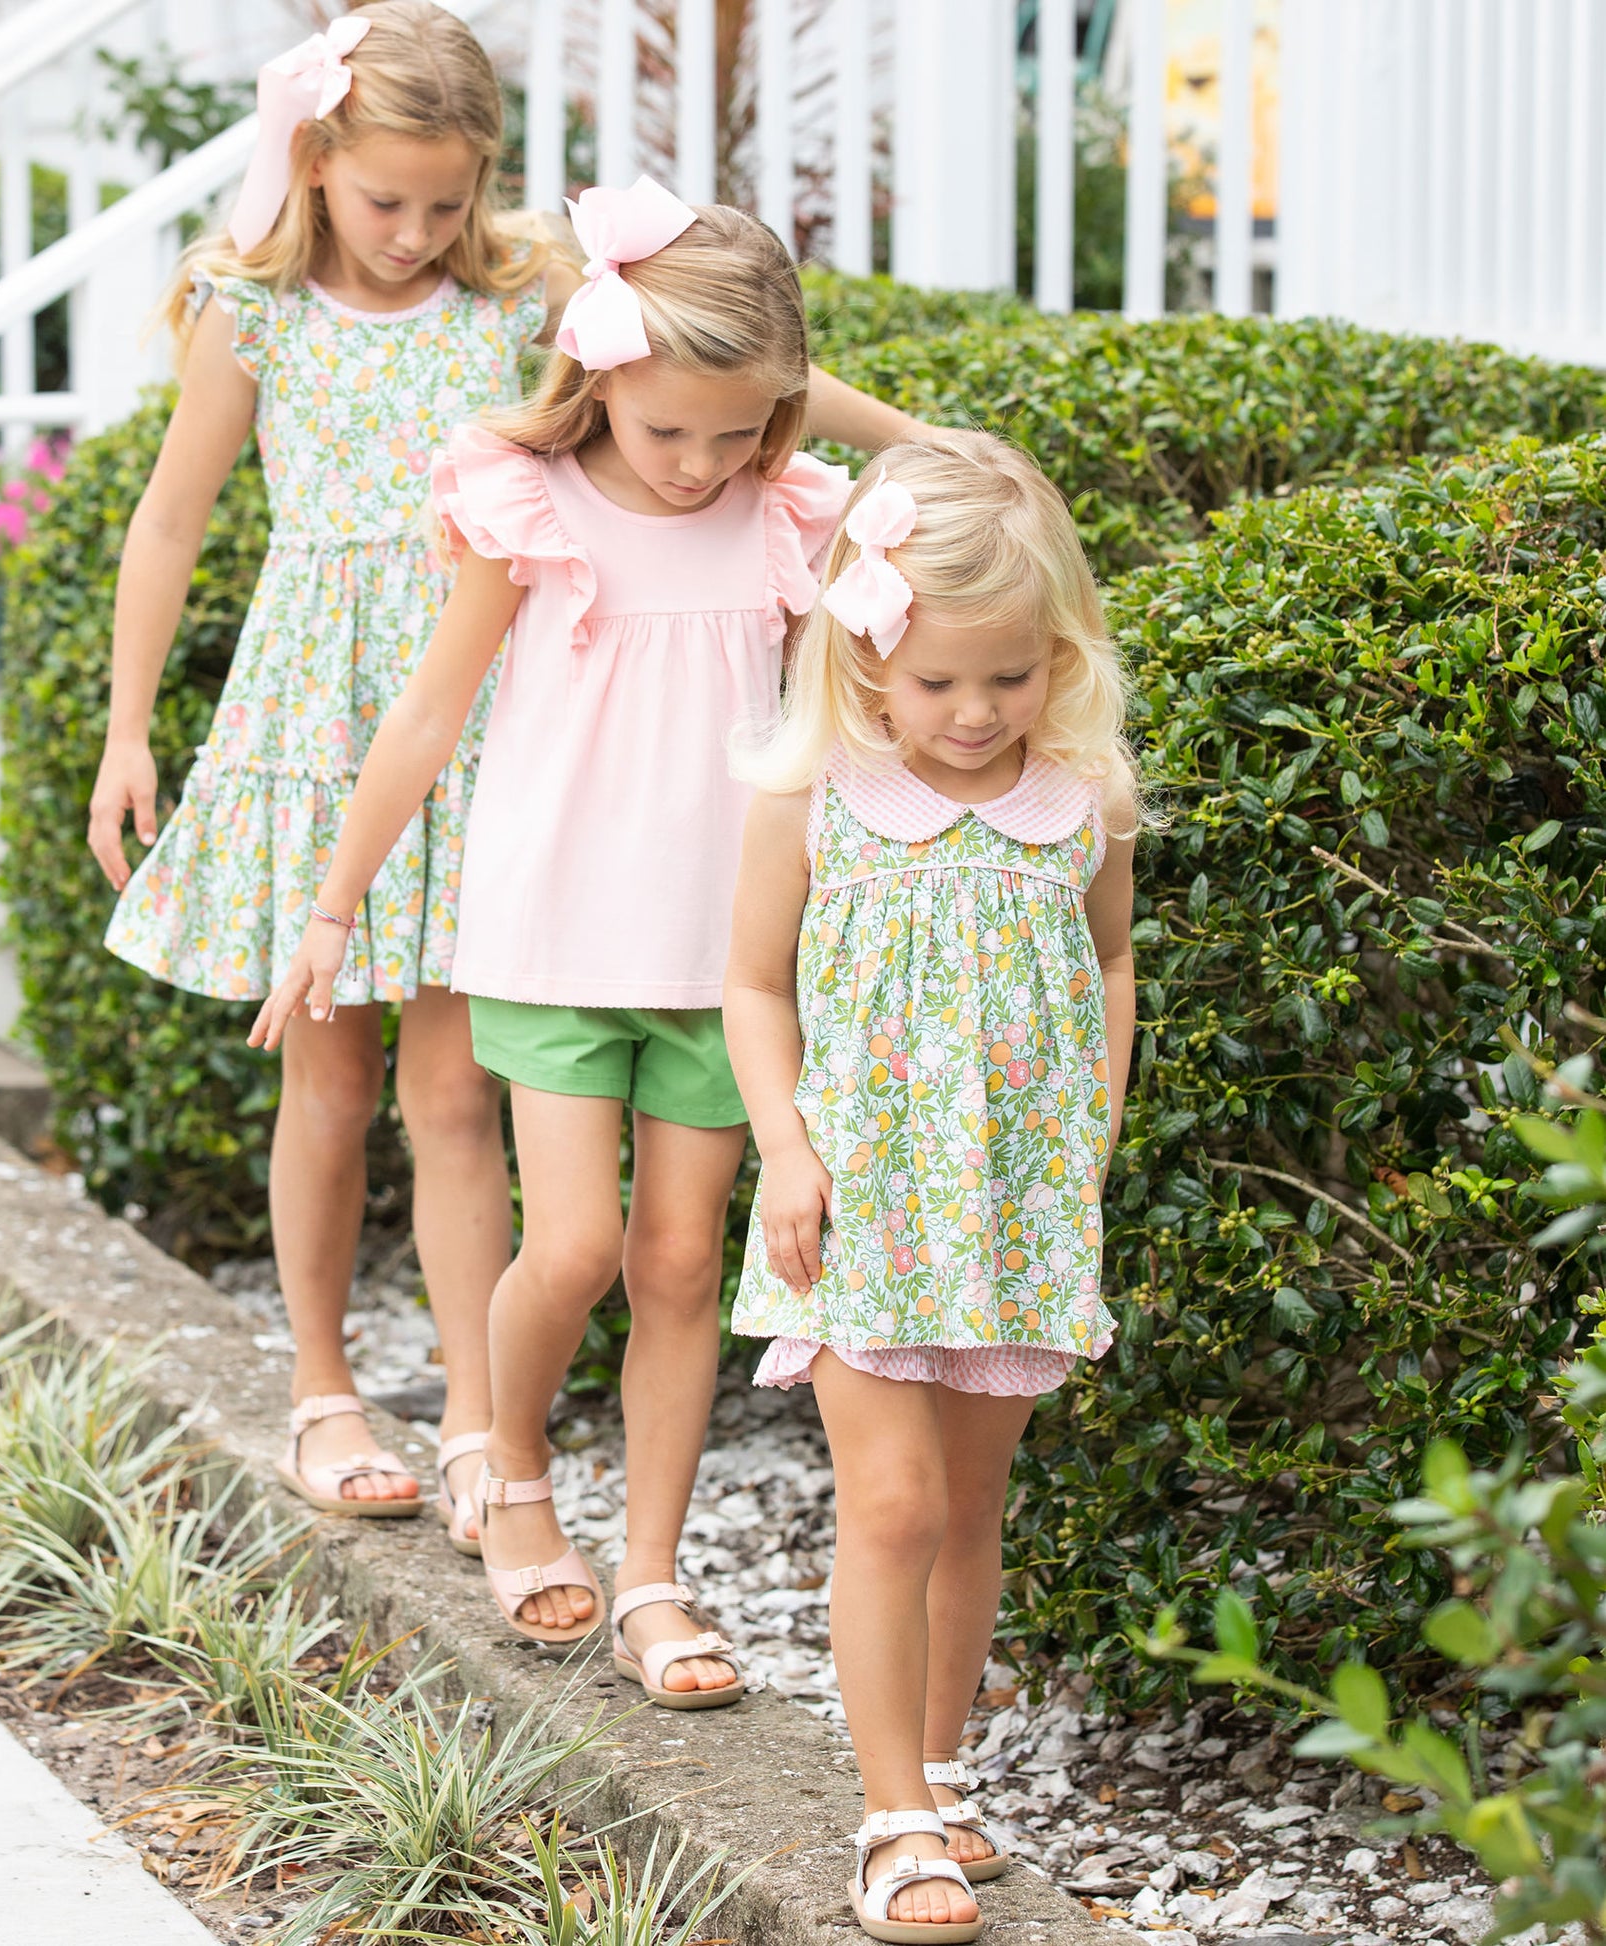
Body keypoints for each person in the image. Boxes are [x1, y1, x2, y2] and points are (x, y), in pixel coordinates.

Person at [89, 6, 931, 1545]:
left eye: (446, 200)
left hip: (522, 715)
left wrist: (934, 445)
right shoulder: (249, 308)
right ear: (317, 160)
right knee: (330, 1071)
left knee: (458, 1081)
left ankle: (481, 1420)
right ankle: (328, 1384)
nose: (415, 232)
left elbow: (755, 390)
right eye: (383, 199)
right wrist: (130, 723)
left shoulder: (537, 293)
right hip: (336, 708)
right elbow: (167, 516)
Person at [253, 177, 857, 1705]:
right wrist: (334, 905)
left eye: (737, 432)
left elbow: (828, 740)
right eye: (669, 432)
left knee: (676, 1266)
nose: (701, 463)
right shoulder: (529, 502)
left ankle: (652, 1571)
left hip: (724, 969)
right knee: (576, 1243)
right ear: (595, 382)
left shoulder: (786, 518)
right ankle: (505, 1460)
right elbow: (427, 711)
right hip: (548, 934)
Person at [722, 435, 1143, 1940]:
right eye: (939, 681)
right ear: (866, 659)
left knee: (972, 1502)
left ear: (1055, 660)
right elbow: (752, 987)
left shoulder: (1080, 802)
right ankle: (890, 1810)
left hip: (1014, 1211)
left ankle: (949, 1766)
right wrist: (784, 1143)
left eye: (1009, 679)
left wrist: (1085, 1132)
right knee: (890, 1501)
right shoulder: (816, 798)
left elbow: (1105, 962)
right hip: (861, 1207)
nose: (974, 715)